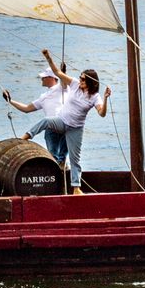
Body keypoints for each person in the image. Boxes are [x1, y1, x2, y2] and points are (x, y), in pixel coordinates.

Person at [31, 51, 110, 191]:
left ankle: (76, 188)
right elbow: (57, 72)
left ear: (90, 82)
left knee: (75, 159)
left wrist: (105, 98)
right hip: (62, 121)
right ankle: (26, 136)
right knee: (46, 121)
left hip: (76, 129)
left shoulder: (95, 97)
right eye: (80, 78)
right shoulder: (74, 84)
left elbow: (102, 113)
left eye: (83, 79)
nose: (80, 81)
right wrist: (48, 57)